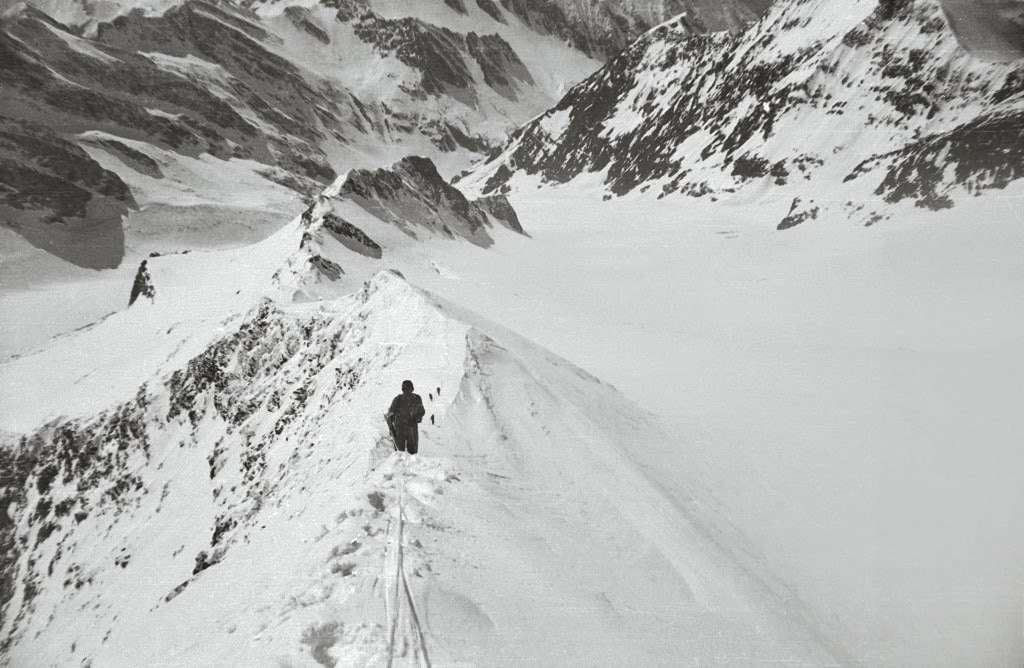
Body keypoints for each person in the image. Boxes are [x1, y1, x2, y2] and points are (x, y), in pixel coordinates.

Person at [386, 380, 425, 454]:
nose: (407, 391)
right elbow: (390, 414)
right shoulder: (397, 400)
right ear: (402, 390)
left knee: (413, 453)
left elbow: (422, 411)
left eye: (409, 388)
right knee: (399, 453)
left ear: (412, 389)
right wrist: (391, 427)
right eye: (405, 389)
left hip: (412, 428)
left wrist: (415, 419)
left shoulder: (417, 398)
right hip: (400, 429)